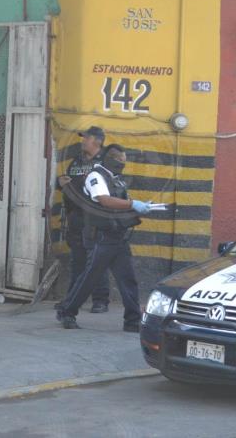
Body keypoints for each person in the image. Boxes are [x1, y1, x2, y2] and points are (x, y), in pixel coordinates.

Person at [56, 144, 152, 331]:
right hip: (101, 238)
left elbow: (119, 204)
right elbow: (104, 200)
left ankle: (132, 321)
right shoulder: (96, 176)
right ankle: (66, 312)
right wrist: (133, 204)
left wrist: (137, 207)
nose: (123, 165)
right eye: (120, 161)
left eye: (124, 161)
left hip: (118, 237)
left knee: (128, 279)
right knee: (88, 279)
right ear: (110, 160)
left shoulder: (116, 180)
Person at [56, 126, 110, 313]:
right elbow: (69, 183)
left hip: (96, 219)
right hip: (76, 218)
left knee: (96, 260)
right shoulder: (76, 161)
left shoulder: (106, 162)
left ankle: (100, 301)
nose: (83, 141)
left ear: (96, 141)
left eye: (86, 138)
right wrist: (60, 184)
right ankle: (71, 299)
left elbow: (111, 187)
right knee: (78, 262)